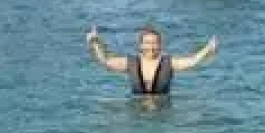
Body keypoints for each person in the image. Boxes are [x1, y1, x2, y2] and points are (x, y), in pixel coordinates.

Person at [85, 24, 218, 95]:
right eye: (148, 43)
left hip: (163, 115)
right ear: (141, 45)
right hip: (136, 114)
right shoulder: (131, 63)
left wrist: (208, 48)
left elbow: (192, 61)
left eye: (155, 43)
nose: (151, 46)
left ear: (160, 45)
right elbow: (105, 60)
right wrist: (95, 42)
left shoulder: (169, 63)